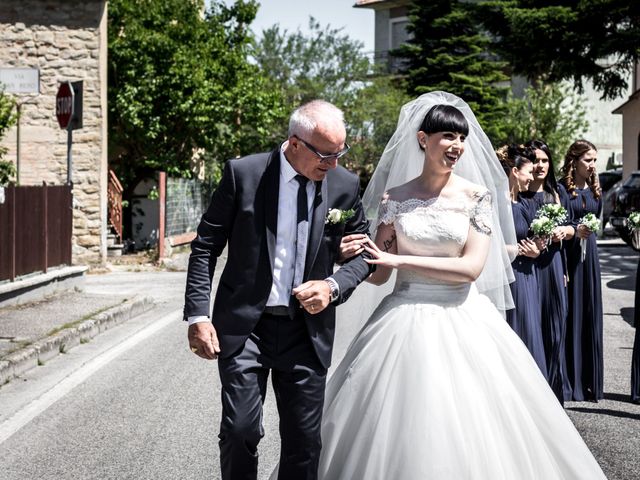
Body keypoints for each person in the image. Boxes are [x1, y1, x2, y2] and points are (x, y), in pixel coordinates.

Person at [273, 92, 606, 479]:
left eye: (461, 138)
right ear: (422, 139)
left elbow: (470, 269)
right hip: (402, 316)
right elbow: (379, 272)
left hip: (462, 316)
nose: (457, 147)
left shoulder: (476, 197)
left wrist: (399, 259)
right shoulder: (394, 198)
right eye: (448, 137)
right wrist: (354, 253)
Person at [183, 100, 375, 480]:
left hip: (306, 331)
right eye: (325, 154)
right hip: (245, 328)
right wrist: (198, 315)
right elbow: (206, 245)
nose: (334, 163)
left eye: (341, 152)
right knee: (240, 432)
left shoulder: (344, 185)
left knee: (304, 444)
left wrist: (333, 285)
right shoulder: (244, 174)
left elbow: (366, 254)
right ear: (295, 143)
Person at [521, 139, 575, 404]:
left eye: (544, 160)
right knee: (533, 328)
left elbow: (573, 227)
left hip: (553, 265)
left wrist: (565, 232)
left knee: (556, 327)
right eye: (535, 161)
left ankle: (554, 391)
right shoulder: (519, 194)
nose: (540, 166)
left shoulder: (557, 192)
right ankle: (533, 393)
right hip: (529, 268)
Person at [559, 139, 604, 402]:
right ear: (574, 161)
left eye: (595, 160)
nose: (592, 165)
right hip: (571, 256)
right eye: (588, 160)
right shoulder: (564, 191)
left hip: (592, 259)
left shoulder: (597, 190)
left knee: (590, 313)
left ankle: (590, 382)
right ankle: (571, 382)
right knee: (572, 314)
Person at [497, 144, 547, 376]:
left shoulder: (524, 204)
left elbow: (533, 240)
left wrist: (537, 249)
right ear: (515, 172)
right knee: (515, 331)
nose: (532, 177)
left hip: (528, 274)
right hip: (508, 277)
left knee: (532, 331)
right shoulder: (496, 204)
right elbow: (488, 246)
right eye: (528, 172)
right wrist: (517, 249)